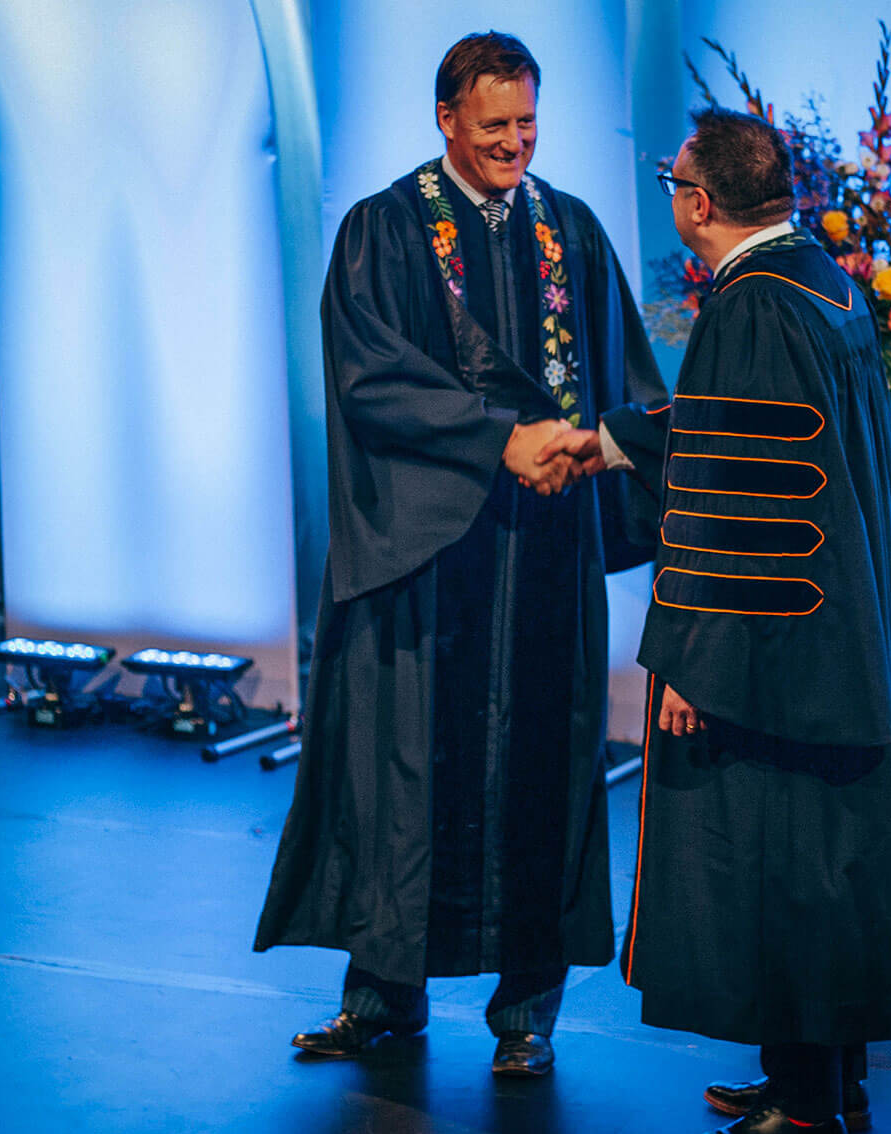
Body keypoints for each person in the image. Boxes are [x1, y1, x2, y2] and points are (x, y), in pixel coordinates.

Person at [252, 31, 666, 1079]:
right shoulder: (383, 232)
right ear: (446, 119)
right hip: (429, 561)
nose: (515, 144)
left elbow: (628, 375)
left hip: (541, 555)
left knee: (547, 770)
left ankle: (528, 1013)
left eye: (528, 123)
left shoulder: (570, 231)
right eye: (494, 127)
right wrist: (498, 439)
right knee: (399, 782)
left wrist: (590, 446)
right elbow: (370, 381)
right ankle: (383, 998)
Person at [561, 108, 891, 1134]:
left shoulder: (754, 309)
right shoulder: (819, 280)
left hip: (773, 652)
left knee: (783, 862)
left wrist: (691, 653)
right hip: (829, 635)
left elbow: (743, 500)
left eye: (674, 180)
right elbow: (724, 433)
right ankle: (827, 1075)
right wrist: (611, 439)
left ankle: (803, 1115)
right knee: (820, 854)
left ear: (698, 202)